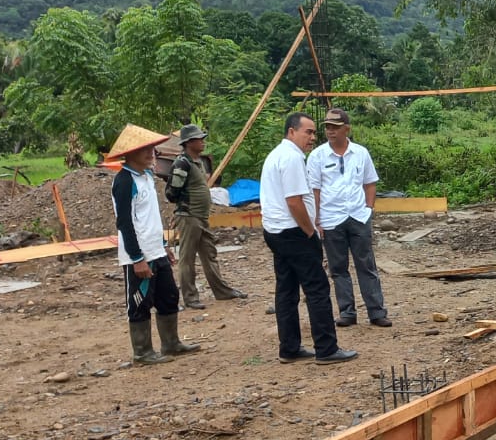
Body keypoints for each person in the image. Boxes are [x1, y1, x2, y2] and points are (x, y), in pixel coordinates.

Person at [259, 112, 356, 365]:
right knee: (317, 288)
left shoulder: (277, 155)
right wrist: (310, 231)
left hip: (276, 231)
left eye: (314, 132)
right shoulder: (290, 158)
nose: (313, 137)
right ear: (292, 132)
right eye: (308, 132)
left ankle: (289, 347)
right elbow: (294, 201)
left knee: (287, 289)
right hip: (293, 233)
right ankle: (326, 348)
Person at [108, 123, 200, 364]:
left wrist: (163, 245)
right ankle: (143, 351)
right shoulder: (124, 181)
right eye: (145, 150)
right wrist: (137, 258)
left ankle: (171, 343)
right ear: (130, 153)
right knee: (140, 302)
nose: (151, 153)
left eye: (152, 149)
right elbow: (125, 223)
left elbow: (151, 217)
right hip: (138, 254)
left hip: (155, 249)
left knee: (168, 296)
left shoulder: (146, 176)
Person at [306, 107, 392, 329]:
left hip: (357, 216)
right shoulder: (317, 156)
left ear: (347, 129)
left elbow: (370, 182)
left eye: (335, 127)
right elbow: (314, 189)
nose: (330, 131)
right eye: (327, 127)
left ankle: (376, 311)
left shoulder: (361, 153)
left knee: (366, 265)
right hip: (331, 218)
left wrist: (368, 209)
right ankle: (347, 312)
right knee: (338, 268)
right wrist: (316, 220)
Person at [166, 123, 246, 308]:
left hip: (200, 217)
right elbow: (172, 192)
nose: (202, 142)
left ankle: (222, 291)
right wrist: (182, 208)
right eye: (198, 139)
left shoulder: (198, 161)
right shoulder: (182, 163)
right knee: (187, 258)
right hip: (189, 216)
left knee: (209, 254)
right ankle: (190, 297)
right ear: (188, 142)